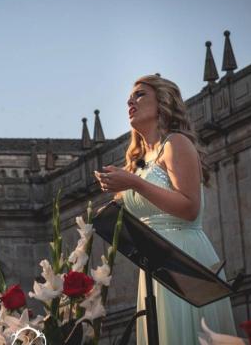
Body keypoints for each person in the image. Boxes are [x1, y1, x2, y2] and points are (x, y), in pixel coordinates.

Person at [95, 74, 236, 344]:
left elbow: (189, 208)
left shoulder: (176, 143)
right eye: (129, 97)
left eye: (140, 94)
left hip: (183, 257)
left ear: (162, 103)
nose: (130, 101)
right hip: (152, 264)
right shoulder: (138, 160)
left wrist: (133, 183)